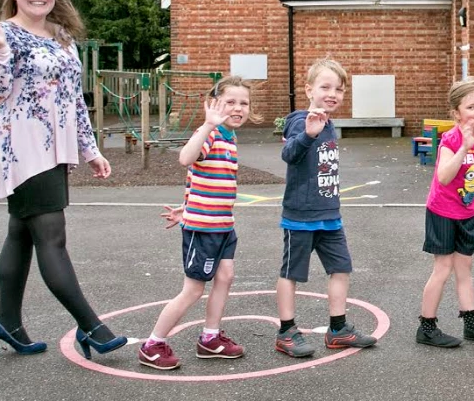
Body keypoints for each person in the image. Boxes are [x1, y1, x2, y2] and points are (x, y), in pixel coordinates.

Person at [0, 0, 127, 359]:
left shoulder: (61, 36)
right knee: (51, 237)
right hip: (21, 147)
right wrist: (1, 48)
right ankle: (93, 327)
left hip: (55, 147)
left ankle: (8, 324)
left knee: (20, 234)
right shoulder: (2, 34)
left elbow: (72, 99)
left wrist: (90, 149)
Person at [137, 76, 253, 370]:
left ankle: (210, 338)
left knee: (225, 277)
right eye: (230, 102)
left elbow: (203, 180)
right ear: (214, 104)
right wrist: (207, 125)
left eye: (244, 103)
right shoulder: (213, 134)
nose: (238, 108)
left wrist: (185, 207)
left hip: (223, 226)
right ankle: (152, 344)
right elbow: (186, 158)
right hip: (204, 230)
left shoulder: (230, 137)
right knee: (193, 289)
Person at [274, 58, 377, 357]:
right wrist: (308, 134)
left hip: (330, 216)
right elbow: (288, 155)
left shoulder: (329, 123)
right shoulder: (300, 120)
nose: (333, 93)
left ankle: (338, 330)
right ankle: (286, 331)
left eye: (339, 89)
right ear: (309, 90)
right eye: (325, 87)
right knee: (291, 273)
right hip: (301, 217)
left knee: (341, 269)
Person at [416, 79, 474, 348]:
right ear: (457, 113)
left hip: (467, 212)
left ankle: (471, 325)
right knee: (442, 268)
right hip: (442, 211)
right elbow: (443, 176)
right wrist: (464, 146)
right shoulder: (451, 139)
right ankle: (427, 327)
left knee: (465, 269)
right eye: (471, 106)